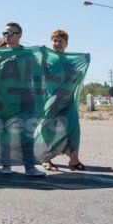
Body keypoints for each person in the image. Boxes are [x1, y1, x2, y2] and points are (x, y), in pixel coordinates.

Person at [0, 22, 46, 177]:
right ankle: (6, 165)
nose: (7, 36)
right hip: (4, 100)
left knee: (26, 134)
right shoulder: (1, 53)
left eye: (11, 33)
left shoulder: (28, 54)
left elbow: (38, 77)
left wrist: (39, 100)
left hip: (24, 99)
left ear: (20, 35)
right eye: (5, 33)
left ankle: (30, 167)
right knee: (5, 134)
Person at [42, 29, 85, 172]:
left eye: (61, 41)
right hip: (52, 101)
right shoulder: (47, 59)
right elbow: (42, 76)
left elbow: (77, 77)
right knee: (49, 130)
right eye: (55, 41)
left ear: (66, 44)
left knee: (74, 129)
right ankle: (45, 159)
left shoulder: (71, 62)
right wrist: (42, 55)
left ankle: (74, 160)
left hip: (68, 102)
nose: (57, 43)